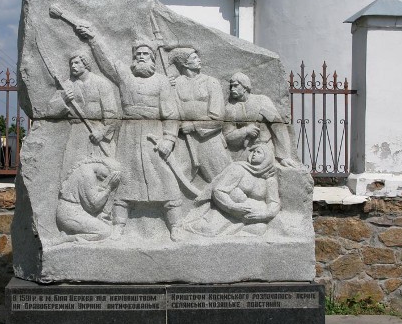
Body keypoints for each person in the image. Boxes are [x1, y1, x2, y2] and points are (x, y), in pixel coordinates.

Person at [75, 24, 183, 235]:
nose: (142, 57)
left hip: (154, 136)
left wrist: (169, 140)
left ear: (153, 58)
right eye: (138, 54)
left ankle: (176, 226)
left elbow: (172, 114)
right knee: (123, 178)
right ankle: (118, 226)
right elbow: (108, 62)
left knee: (165, 179)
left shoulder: (161, 82)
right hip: (128, 136)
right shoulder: (126, 76)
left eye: (146, 54)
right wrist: (94, 39)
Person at [180, 143, 281, 239]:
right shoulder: (239, 169)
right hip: (228, 213)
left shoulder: (270, 180)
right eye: (253, 151)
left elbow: (274, 202)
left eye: (259, 152)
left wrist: (265, 214)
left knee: (259, 229)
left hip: (254, 218)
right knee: (209, 229)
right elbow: (218, 190)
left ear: (267, 158)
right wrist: (232, 206)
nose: (254, 154)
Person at [168, 47, 231, 182]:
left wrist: (194, 125)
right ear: (185, 63)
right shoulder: (175, 84)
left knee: (223, 180)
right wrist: (166, 86)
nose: (199, 60)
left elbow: (218, 118)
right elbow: (169, 112)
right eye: (194, 58)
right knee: (175, 179)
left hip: (209, 138)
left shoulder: (211, 82)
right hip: (184, 140)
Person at [47, 52, 120, 168]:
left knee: (102, 170)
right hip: (76, 134)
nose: (73, 66)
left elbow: (112, 115)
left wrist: (102, 133)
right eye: (71, 63)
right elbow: (50, 111)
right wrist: (63, 99)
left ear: (85, 64)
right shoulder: (67, 85)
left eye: (76, 62)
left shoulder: (101, 83)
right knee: (71, 169)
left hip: (97, 132)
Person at [224, 72, 297, 167]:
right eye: (231, 87)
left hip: (264, 149)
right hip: (243, 152)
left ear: (245, 86)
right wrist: (245, 131)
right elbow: (227, 136)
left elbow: (278, 126)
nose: (232, 89)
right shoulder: (230, 108)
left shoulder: (261, 101)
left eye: (236, 85)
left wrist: (285, 156)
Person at [56, 157, 121, 241]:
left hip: (73, 211)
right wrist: (109, 187)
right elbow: (93, 205)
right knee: (106, 231)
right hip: (69, 214)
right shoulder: (87, 174)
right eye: (108, 174)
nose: (106, 178)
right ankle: (69, 238)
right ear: (104, 166)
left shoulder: (85, 170)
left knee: (105, 225)